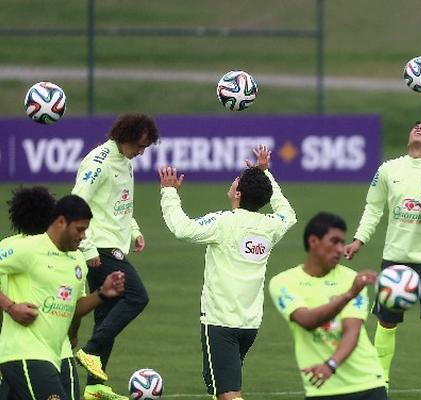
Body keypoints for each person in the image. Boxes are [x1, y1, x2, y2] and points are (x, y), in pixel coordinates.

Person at [159, 144, 296, 400]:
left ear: (238, 193)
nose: (233, 181)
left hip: (220, 323)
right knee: (217, 388)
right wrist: (266, 174)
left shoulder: (223, 222)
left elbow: (183, 228)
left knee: (227, 394)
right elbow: (288, 213)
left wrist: (169, 192)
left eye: (237, 180)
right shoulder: (271, 226)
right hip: (250, 324)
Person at [344, 120, 421, 399]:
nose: (418, 128)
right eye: (415, 126)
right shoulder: (388, 170)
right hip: (395, 259)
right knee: (386, 322)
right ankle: (380, 382)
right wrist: (359, 240)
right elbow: (373, 209)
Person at [0, 194, 125, 400]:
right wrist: (11, 307)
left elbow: (72, 309)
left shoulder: (76, 260)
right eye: (80, 229)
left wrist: (102, 293)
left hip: (54, 356)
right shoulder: (28, 249)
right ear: (60, 222)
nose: (84, 236)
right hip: (25, 354)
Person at [72, 113, 159, 400]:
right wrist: (86, 247)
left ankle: (94, 387)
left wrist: (134, 231)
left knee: (106, 315)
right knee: (137, 296)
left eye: (145, 147)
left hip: (114, 244)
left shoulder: (124, 161)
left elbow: (119, 203)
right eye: (139, 145)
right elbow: (78, 201)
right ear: (125, 137)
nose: (141, 152)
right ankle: (90, 350)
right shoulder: (99, 162)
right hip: (100, 247)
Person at [269, 212, 387, 400]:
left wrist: (331, 364)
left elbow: (352, 332)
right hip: (321, 387)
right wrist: (349, 295)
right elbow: (306, 320)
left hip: (367, 384)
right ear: (314, 241)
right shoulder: (283, 283)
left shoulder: (351, 278)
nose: (340, 249)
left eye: (342, 242)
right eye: (334, 241)